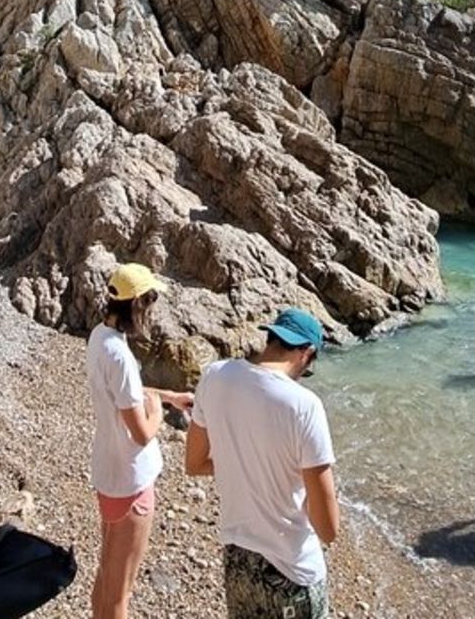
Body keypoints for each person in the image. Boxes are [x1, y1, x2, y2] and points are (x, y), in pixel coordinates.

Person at [185, 308, 339, 619]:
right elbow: (328, 529)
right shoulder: (304, 406)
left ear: (271, 338)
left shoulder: (215, 376)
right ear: (306, 353)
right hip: (292, 572)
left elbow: (195, 462)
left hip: (239, 562)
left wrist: (241, 462)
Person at [86, 262, 194, 619]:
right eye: (150, 301)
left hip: (108, 473)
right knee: (121, 592)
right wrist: (160, 414)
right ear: (137, 306)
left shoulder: (99, 337)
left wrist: (167, 395)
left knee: (106, 576)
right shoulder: (120, 356)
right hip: (131, 482)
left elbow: (124, 394)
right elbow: (142, 433)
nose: (152, 309)